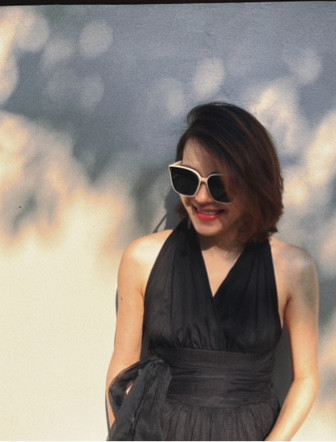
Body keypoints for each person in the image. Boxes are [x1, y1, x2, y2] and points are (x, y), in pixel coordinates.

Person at [105, 102, 319, 441]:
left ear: (254, 183)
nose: (202, 197)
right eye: (187, 179)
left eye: (220, 185)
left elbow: (306, 378)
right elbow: (122, 368)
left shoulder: (293, 269)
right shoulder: (142, 259)